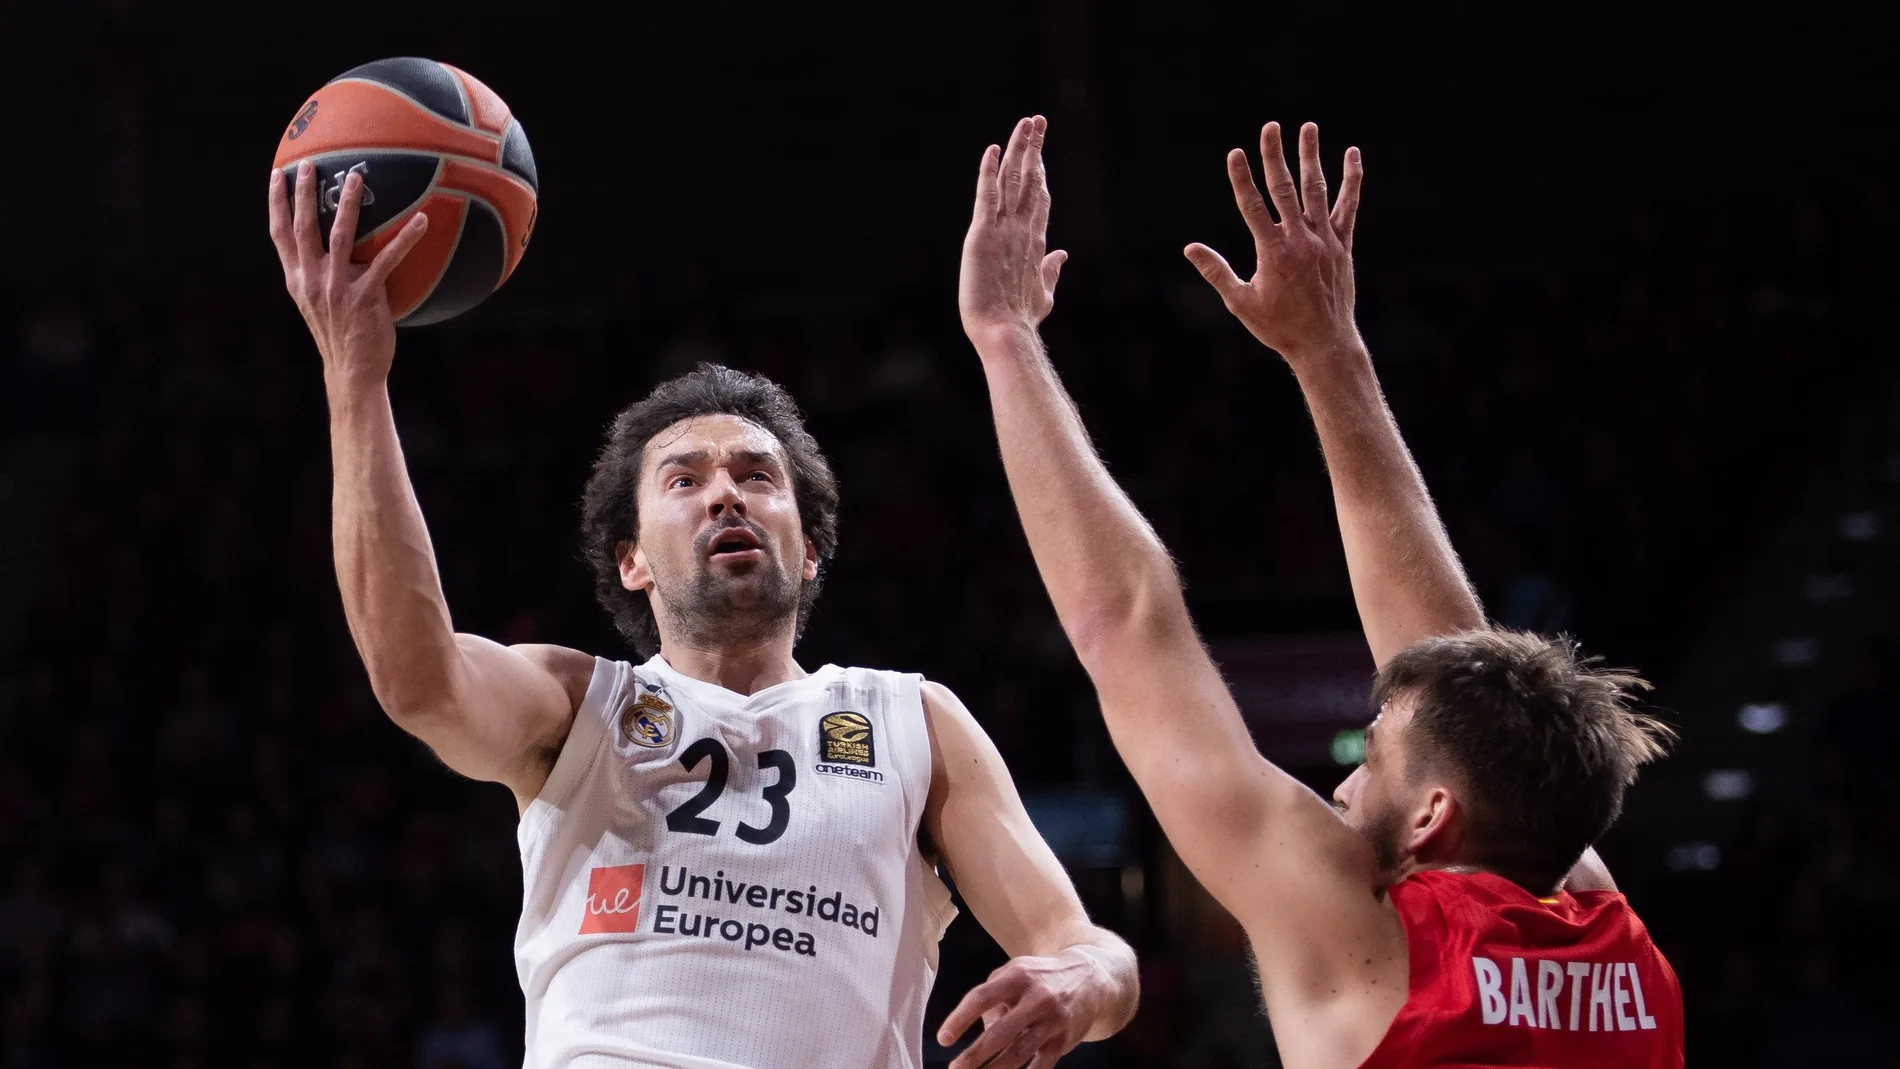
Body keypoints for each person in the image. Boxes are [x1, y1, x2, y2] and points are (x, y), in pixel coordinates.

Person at [264, 159, 1137, 1069]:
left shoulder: (911, 720)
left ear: (809, 550)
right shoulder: (576, 706)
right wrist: (355, 379)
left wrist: (1083, 981)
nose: (727, 495)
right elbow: (417, 680)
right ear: (632, 560)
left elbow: (1087, 946)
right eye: (685, 480)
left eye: (757, 477)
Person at [956, 116, 1683, 1068]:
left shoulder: (1365, 938)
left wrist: (1006, 340)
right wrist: (1327, 352)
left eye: (1370, 753)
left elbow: (1130, 629)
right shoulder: (1611, 935)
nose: (1343, 782)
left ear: (1432, 814)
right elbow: (1467, 678)